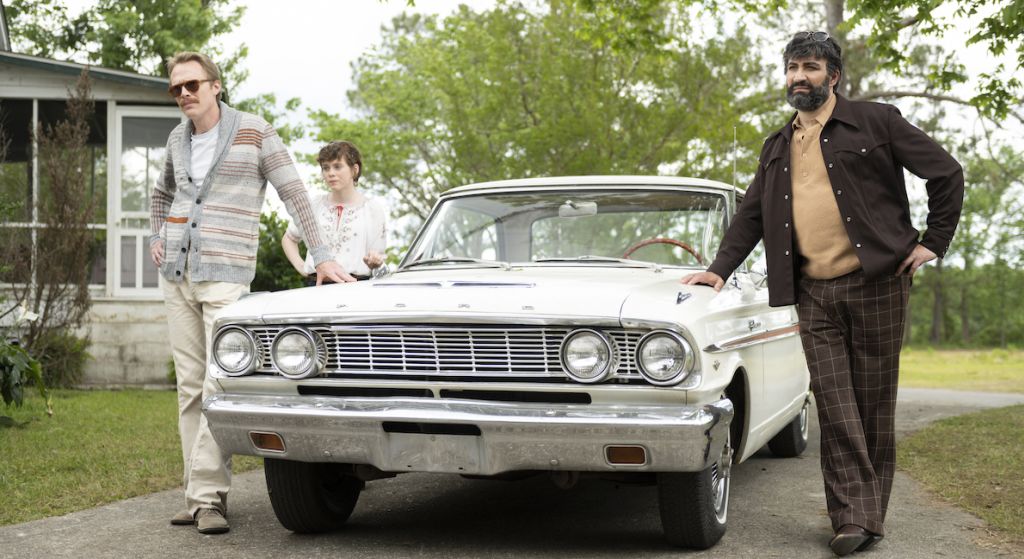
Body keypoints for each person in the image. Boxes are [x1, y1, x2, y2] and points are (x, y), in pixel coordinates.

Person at [681, 32, 963, 556]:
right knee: (834, 403)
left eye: (810, 67)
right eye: (792, 67)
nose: (798, 77)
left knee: (872, 403)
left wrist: (933, 242)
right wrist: (718, 271)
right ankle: (852, 518)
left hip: (877, 284)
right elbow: (750, 217)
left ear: (833, 76)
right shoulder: (776, 146)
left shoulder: (877, 121)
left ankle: (865, 514)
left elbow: (946, 173)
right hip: (813, 292)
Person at [148, 51, 350, 535]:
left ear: (216, 86)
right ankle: (200, 496)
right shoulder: (177, 138)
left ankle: (204, 498)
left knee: (218, 384)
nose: (184, 94)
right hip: (177, 273)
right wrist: (157, 235)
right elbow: (161, 193)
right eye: (176, 88)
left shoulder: (255, 131)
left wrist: (321, 254)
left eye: (192, 85)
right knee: (190, 387)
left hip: (226, 274)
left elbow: (294, 192)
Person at [282, 141, 387, 285]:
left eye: (337, 166)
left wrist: (374, 260)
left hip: (355, 287)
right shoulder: (314, 205)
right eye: (326, 168)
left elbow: (376, 255)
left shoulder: (371, 209)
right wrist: (303, 268)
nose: (330, 173)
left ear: (354, 170)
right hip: (315, 287)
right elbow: (289, 238)